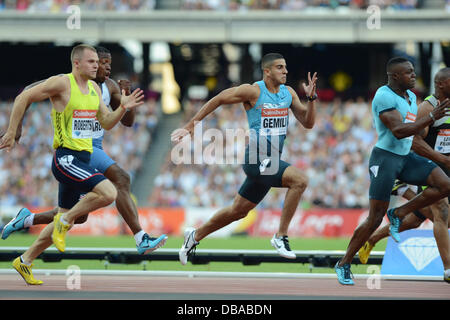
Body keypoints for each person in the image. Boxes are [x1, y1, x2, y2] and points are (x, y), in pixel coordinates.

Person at [0, 44, 152, 285]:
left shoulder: (93, 88)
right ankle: (63, 221)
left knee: (68, 217)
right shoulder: (62, 83)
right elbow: (24, 96)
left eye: (98, 62)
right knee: (109, 192)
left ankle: (25, 260)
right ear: (77, 63)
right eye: (92, 62)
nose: (98, 66)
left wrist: (123, 106)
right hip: (65, 158)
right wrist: (12, 130)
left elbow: (107, 121)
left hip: (83, 157)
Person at [171, 53, 318, 263]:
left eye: (285, 67)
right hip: (256, 158)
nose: (285, 71)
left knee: (238, 211)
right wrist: (192, 124)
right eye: (279, 67)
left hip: (270, 161)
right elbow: (220, 98)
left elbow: (308, 122)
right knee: (300, 180)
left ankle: (194, 236)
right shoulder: (253, 91)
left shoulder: (289, 93)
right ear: (267, 71)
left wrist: (311, 99)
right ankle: (281, 236)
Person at [334, 57, 450, 285]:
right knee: (374, 218)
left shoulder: (410, 98)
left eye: (414, 71)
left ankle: (398, 213)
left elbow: (416, 134)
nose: (414, 76)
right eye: (409, 73)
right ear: (395, 76)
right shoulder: (384, 95)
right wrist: (431, 117)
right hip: (386, 159)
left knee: (445, 185)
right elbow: (398, 130)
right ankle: (344, 262)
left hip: (406, 158)